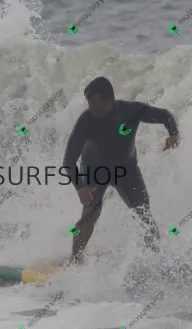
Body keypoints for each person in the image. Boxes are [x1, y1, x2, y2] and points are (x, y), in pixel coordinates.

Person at [63, 77, 180, 264]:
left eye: (96, 105)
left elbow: (164, 115)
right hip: (94, 171)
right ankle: (74, 261)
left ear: (109, 100)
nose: (92, 109)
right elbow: (68, 161)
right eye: (89, 104)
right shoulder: (86, 120)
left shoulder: (130, 111)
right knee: (90, 215)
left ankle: (158, 260)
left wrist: (173, 133)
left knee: (144, 214)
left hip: (127, 171)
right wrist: (80, 187)